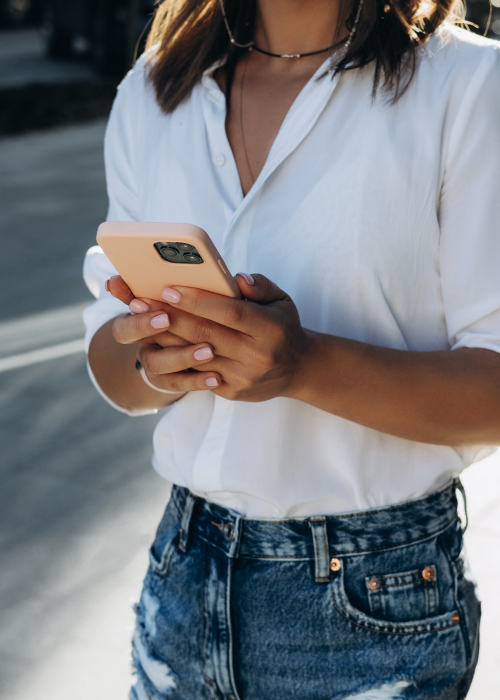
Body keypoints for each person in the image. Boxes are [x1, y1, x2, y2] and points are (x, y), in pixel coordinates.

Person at [82, 0, 500, 697]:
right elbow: (113, 367)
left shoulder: (468, 86)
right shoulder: (155, 89)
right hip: (184, 575)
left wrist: (303, 367)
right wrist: (154, 361)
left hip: (374, 601)